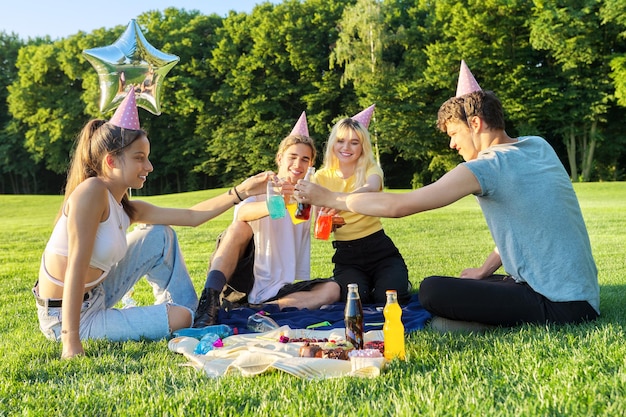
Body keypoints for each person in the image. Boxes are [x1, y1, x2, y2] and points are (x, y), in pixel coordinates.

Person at [295, 66, 599, 332]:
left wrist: (332, 197)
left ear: (476, 124)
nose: (453, 144)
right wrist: (483, 271)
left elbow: (400, 206)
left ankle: (467, 322)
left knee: (432, 290)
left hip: (558, 306)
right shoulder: (538, 146)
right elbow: (528, 224)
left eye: (454, 133)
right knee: (471, 283)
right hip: (582, 297)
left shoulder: (485, 166)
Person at [32, 91, 271, 359]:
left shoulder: (122, 204)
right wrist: (70, 340)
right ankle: (182, 315)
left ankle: (190, 312)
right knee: (182, 318)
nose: (149, 166)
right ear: (111, 161)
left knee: (159, 234)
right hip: (65, 315)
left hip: (98, 292)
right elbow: (76, 265)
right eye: (139, 157)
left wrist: (242, 190)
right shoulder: (91, 192)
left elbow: (191, 216)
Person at [193, 112, 340, 328]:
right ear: (280, 158)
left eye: (305, 159)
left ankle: (263, 310)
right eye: (292, 156)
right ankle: (209, 300)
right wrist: (281, 202)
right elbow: (242, 214)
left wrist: (332, 222)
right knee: (239, 229)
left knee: (333, 289)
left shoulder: (308, 196)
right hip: (243, 281)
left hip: (279, 287)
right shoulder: (265, 184)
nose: (297, 164)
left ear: (310, 165)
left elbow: (322, 227)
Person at [312, 105, 411, 305]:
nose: (346, 148)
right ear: (333, 144)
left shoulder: (370, 168)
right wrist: (328, 223)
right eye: (341, 141)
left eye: (354, 143)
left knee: (388, 298)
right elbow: (319, 226)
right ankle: (367, 285)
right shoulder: (321, 177)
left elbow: (371, 188)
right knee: (357, 300)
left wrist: (338, 201)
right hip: (347, 255)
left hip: (379, 249)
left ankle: (400, 283)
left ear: (362, 147)